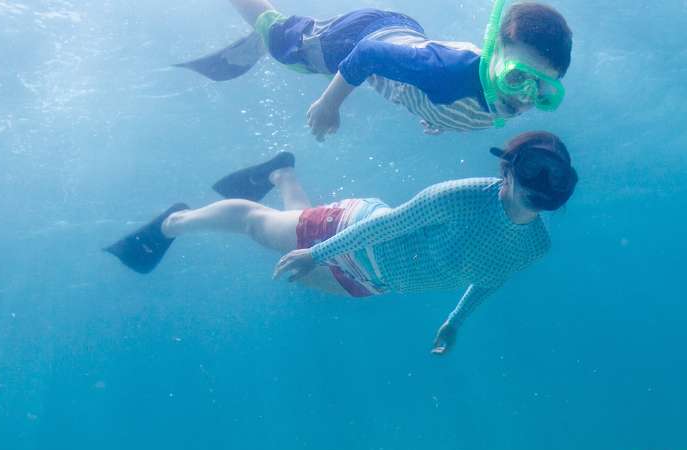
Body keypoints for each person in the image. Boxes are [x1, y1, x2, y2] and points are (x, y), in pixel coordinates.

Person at [105, 132, 577, 356]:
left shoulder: (536, 246)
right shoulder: (459, 197)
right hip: (350, 231)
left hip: (375, 282)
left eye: (554, 177)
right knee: (258, 226)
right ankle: (173, 223)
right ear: (507, 170)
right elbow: (389, 226)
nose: (542, 183)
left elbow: (489, 280)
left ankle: (281, 172)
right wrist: (318, 251)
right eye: (535, 169)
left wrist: (454, 323)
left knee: (296, 272)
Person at [177, 1, 571, 138]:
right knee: (286, 49)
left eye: (543, 91)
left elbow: (468, 105)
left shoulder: (496, 98)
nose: (525, 98)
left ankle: (295, 33)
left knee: (305, 45)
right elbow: (367, 54)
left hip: (401, 34)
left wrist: (437, 117)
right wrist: (329, 105)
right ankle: (267, 27)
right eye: (517, 78)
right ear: (493, 52)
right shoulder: (448, 72)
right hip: (362, 39)